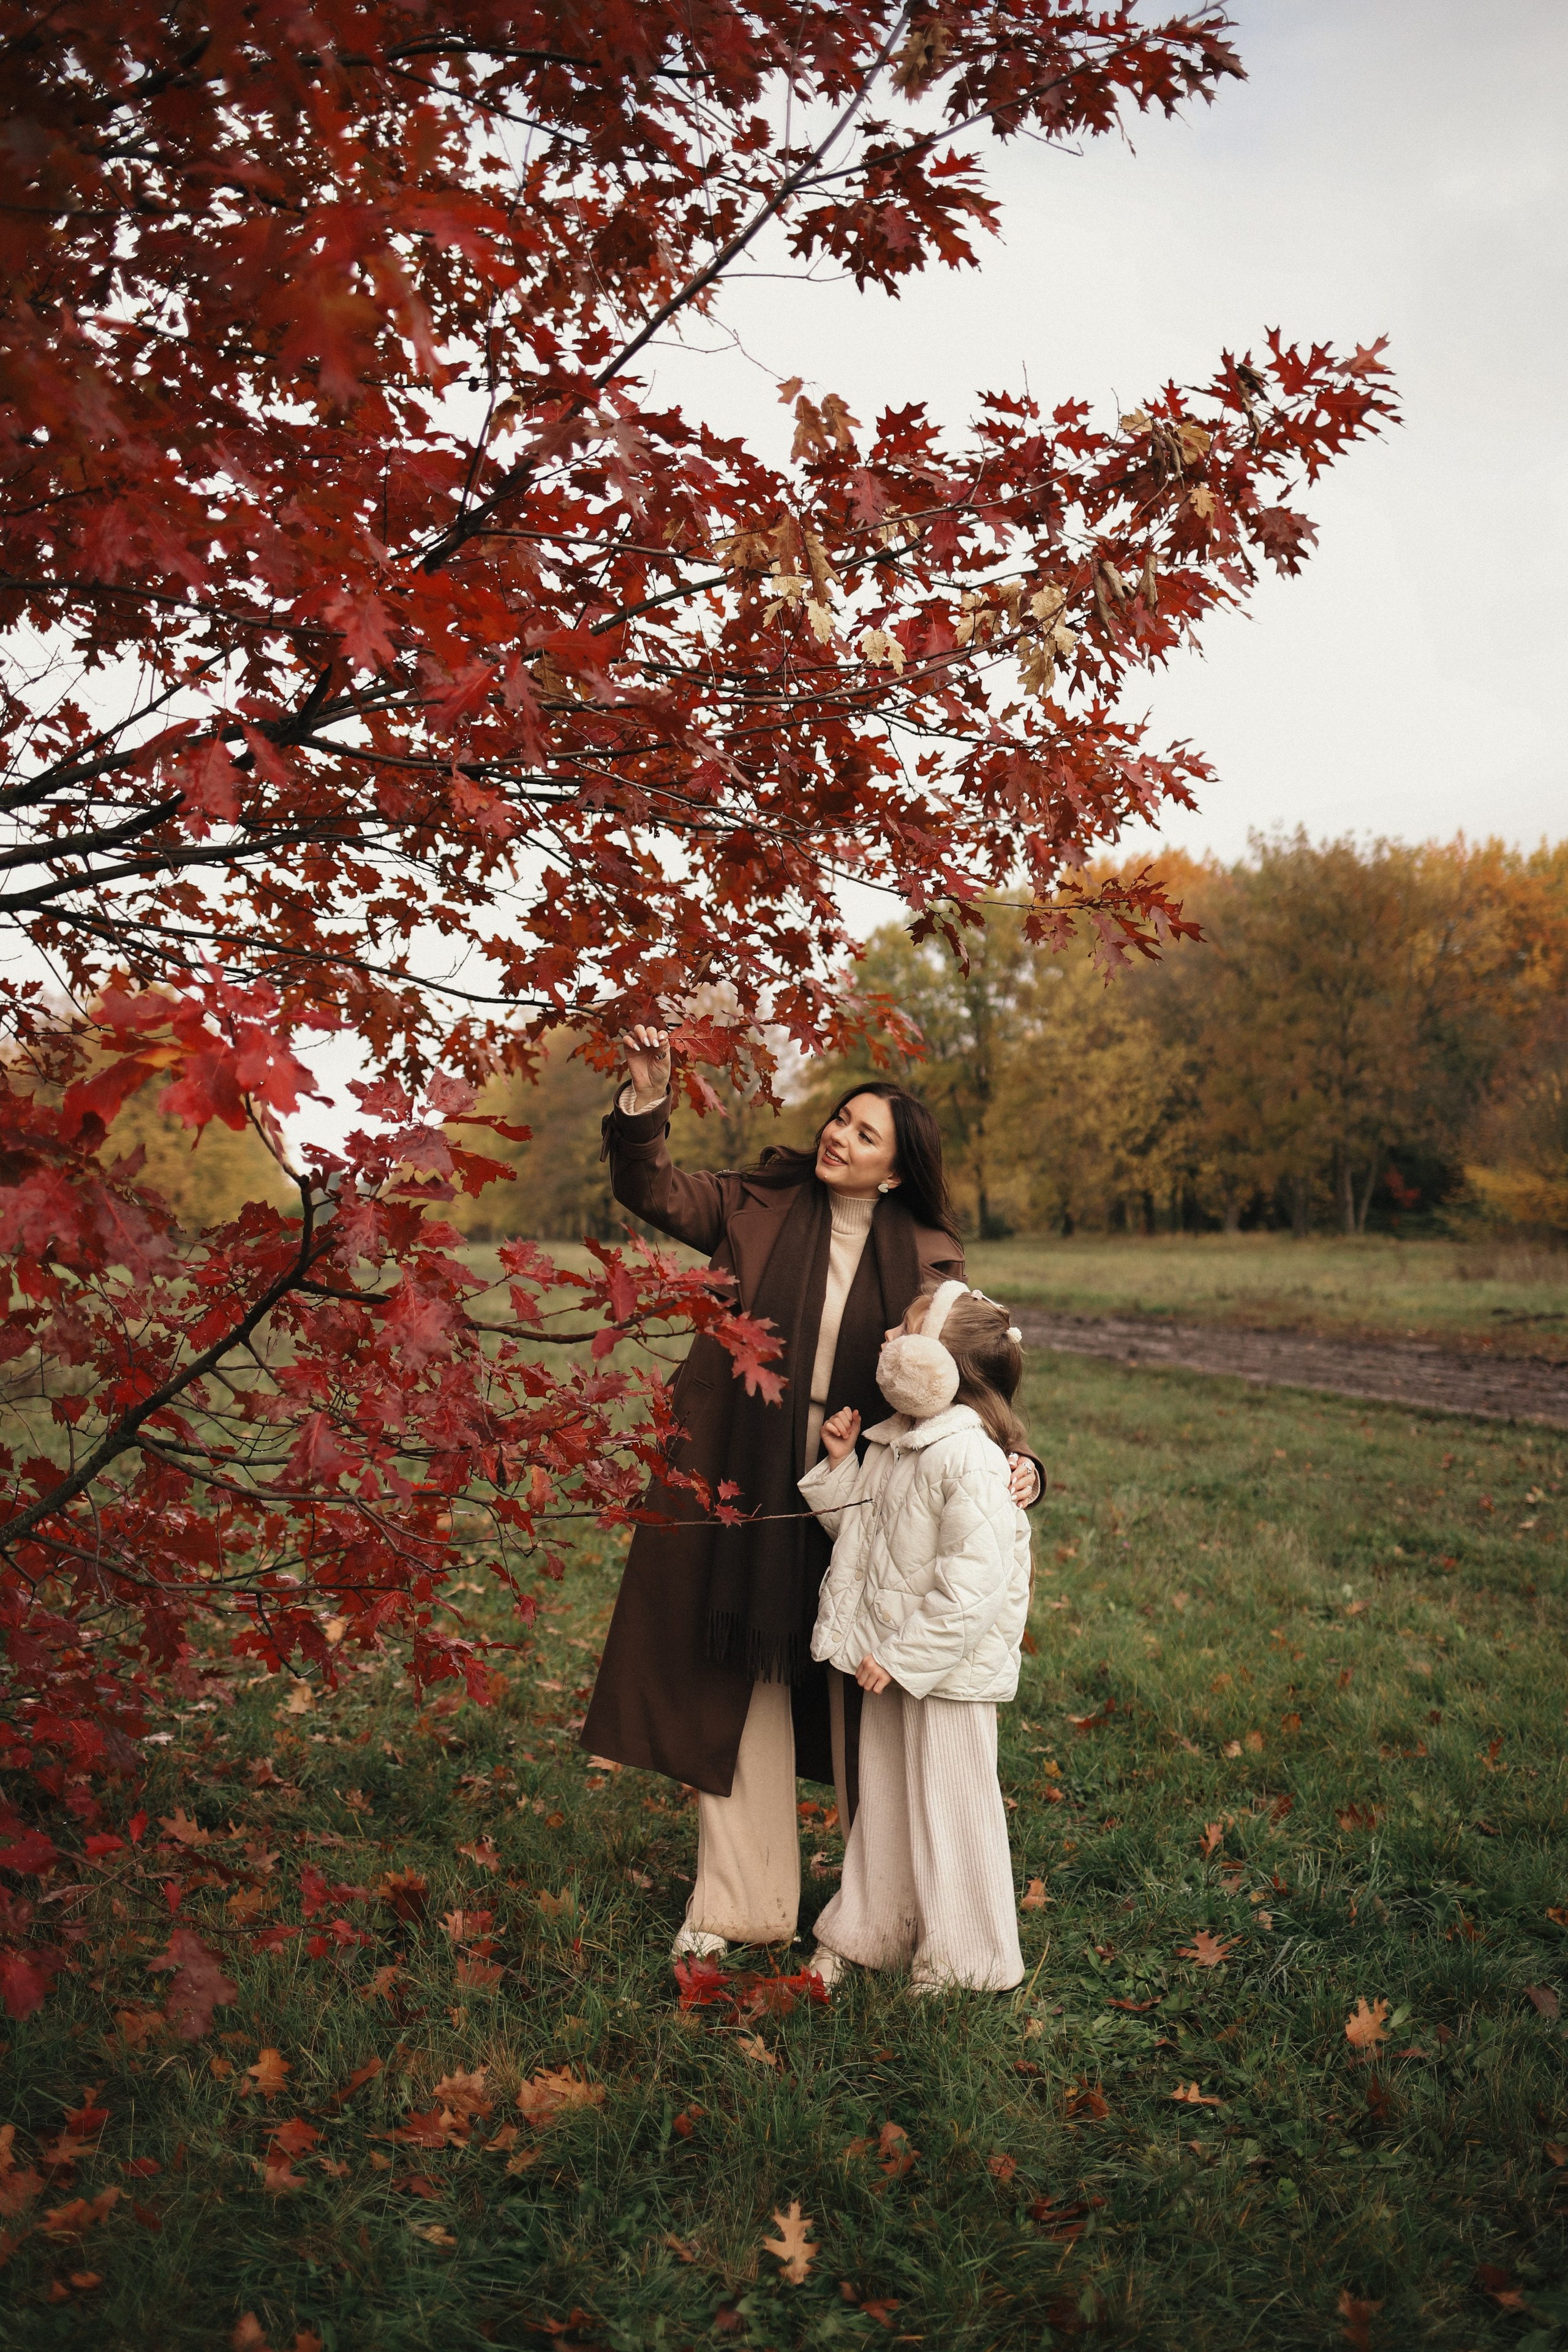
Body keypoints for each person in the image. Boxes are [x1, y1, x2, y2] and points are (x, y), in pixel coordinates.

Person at [578, 1024, 1043, 1962]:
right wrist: (647, 1099)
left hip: (866, 1490)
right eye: (840, 1119)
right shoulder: (754, 1200)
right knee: (740, 1677)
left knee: (859, 1687)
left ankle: (887, 1908)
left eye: (866, 1134)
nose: (840, 1137)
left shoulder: (931, 1254)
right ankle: (740, 1903)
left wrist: (1021, 1461)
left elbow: (972, 1376)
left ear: (898, 1171)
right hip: (748, 1476)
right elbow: (650, 1187)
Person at [798, 1280, 1032, 1994]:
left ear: (937, 1363)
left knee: (952, 1805)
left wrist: (905, 1659)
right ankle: (874, 1929)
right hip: (889, 1661)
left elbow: (975, 1587)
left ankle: (967, 1959)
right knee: (889, 1801)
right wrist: (842, 1468)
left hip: (941, 1671)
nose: (887, 1340)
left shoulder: (969, 1457)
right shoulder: (898, 1441)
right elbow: (871, 1544)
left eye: (903, 1331)